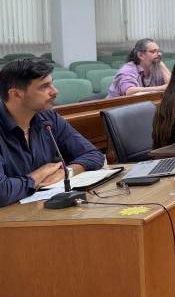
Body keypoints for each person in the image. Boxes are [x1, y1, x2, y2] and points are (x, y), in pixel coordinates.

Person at [0, 59, 105, 207]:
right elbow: (2, 192)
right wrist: (42, 172)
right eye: (44, 87)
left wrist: (66, 171)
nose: (55, 91)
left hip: (41, 210)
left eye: (51, 83)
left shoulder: (48, 118)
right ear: (16, 94)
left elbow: (94, 155)